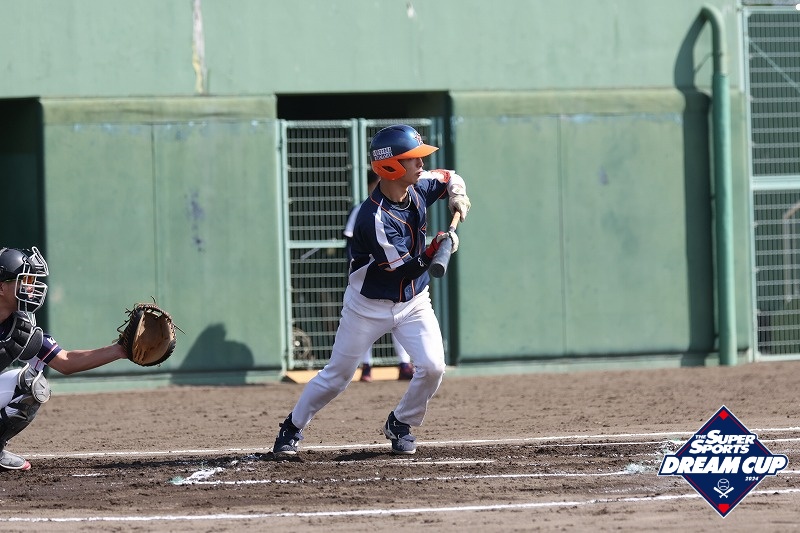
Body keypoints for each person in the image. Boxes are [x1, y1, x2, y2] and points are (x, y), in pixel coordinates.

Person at [272, 124, 471, 456]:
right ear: (390, 167)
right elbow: (404, 268)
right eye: (412, 159)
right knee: (337, 377)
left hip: (413, 301)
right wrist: (437, 247)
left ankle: (400, 422)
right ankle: (291, 427)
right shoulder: (374, 218)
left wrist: (457, 195)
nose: (421, 164)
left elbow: (450, 176)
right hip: (367, 307)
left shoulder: (419, 186)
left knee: (434, 367)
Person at [0, 247, 127, 471]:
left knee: (31, 385)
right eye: (24, 280)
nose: (31, 287)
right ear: (1, 287)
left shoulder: (20, 328)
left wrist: (120, 350)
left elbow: (65, 361)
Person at [343, 171, 414, 382]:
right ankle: (366, 366)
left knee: (399, 318)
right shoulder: (361, 209)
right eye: (377, 182)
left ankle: (404, 363)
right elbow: (350, 245)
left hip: (394, 273)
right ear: (369, 185)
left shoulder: (402, 208)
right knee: (365, 324)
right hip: (369, 275)